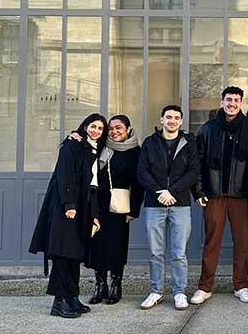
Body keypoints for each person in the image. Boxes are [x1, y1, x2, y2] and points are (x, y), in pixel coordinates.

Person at [189, 87, 248, 306]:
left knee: (242, 242)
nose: (232, 103)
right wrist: (199, 191)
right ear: (222, 102)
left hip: (242, 196)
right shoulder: (208, 129)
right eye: (229, 99)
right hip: (214, 195)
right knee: (212, 241)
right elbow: (197, 163)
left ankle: (241, 285)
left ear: (242, 103)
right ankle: (205, 287)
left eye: (236, 100)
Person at [29, 113, 107, 318]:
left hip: (84, 207)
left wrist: (94, 215)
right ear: (85, 125)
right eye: (93, 126)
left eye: (100, 128)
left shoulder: (92, 148)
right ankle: (59, 302)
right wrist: (69, 204)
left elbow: (93, 186)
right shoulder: (72, 146)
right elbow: (66, 175)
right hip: (67, 206)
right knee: (63, 253)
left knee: (74, 254)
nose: (96, 131)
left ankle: (72, 297)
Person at [137, 105, 201, 311]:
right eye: (168, 117)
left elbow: (193, 172)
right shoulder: (149, 142)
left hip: (180, 204)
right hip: (155, 204)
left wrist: (171, 191)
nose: (172, 121)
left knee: (179, 252)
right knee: (156, 252)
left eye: (176, 118)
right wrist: (160, 192)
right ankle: (156, 291)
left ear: (181, 121)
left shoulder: (189, 143)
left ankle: (179, 292)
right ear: (162, 119)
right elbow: (142, 172)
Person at [88, 115, 143, 305]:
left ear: (128, 129)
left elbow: (138, 183)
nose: (114, 132)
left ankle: (116, 284)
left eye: (119, 128)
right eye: (110, 128)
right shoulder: (101, 146)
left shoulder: (136, 151)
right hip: (98, 204)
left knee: (117, 246)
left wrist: (133, 210)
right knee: (97, 245)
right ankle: (100, 285)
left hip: (120, 205)